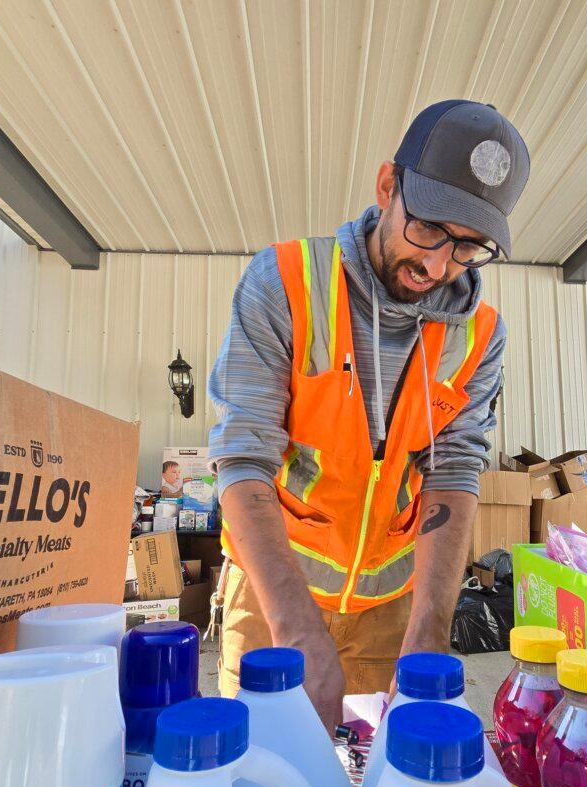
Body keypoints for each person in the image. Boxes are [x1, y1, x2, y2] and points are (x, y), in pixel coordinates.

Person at [208, 100, 531, 729]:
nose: (438, 266)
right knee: (262, 776)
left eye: (469, 248)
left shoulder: (480, 335)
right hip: (272, 595)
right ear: (388, 188)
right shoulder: (285, 282)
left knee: (377, 785)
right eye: (430, 228)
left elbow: (455, 470)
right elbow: (242, 456)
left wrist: (429, 632)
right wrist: (298, 631)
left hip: (394, 610)